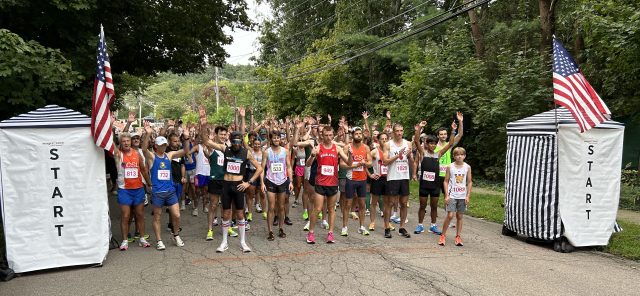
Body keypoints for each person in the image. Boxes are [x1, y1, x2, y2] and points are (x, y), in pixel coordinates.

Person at [199, 107, 262, 253]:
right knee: (225, 214)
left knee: (240, 214)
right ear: (231, 140)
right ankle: (224, 242)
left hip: (239, 185)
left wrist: (249, 182)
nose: (237, 145)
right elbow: (206, 142)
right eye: (235, 142)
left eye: (239, 142)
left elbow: (259, 168)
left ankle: (242, 242)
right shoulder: (224, 148)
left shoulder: (246, 153)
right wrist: (203, 126)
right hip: (226, 185)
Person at [141, 121, 190, 250]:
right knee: (157, 216)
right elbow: (144, 149)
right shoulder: (152, 157)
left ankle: (176, 235)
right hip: (157, 191)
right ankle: (159, 240)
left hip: (170, 190)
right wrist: (148, 134)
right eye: (161, 145)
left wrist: (186, 137)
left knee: (177, 215)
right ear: (156, 146)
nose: (163, 147)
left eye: (164, 145)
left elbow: (185, 150)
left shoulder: (169, 155)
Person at [305, 124, 353, 244]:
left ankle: (330, 234)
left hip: (332, 183)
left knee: (331, 209)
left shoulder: (337, 148)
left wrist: (351, 154)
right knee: (318, 208)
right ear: (322, 135)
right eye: (326, 135)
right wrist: (312, 155)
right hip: (320, 182)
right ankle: (311, 233)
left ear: (333, 135)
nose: (328, 137)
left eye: (330, 135)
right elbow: (308, 164)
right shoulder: (317, 147)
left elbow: (348, 163)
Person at [111, 115, 153, 250]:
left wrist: (149, 184)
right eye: (123, 141)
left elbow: (143, 170)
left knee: (140, 215)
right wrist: (110, 127)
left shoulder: (137, 154)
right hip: (124, 190)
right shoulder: (118, 154)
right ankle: (124, 240)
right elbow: (111, 143)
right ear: (120, 143)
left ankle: (141, 238)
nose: (126, 143)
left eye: (128, 141)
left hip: (139, 188)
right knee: (125, 216)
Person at [413, 120, 458, 235]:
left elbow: (450, 144)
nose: (432, 146)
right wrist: (420, 128)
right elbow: (416, 140)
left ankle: (433, 225)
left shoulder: (438, 154)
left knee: (434, 206)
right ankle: (420, 225)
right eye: (430, 144)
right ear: (426, 144)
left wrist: (453, 130)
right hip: (424, 184)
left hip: (435, 185)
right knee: (422, 206)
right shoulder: (423, 153)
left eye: (434, 144)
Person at [382, 123, 414, 239]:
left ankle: (402, 227)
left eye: (401, 131)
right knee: (390, 203)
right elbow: (385, 162)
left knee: (404, 203)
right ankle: (387, 227)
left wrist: (409, 156)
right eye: (397, 131)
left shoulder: (408, 144)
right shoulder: (388, 145)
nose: (399, 133)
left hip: (404, 177)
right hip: (393, 177)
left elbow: (412, 163)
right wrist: (398, 155)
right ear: (393, 132)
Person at [261, 130, 295, 240]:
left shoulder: (285, 151)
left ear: (280, 139)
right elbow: (262, 168)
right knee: (271, 206)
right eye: (274, 138)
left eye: (278, 137)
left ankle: (281, 228)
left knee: (281, 206)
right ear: (270, 139)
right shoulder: (267, 152)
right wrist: (262, 183)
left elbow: (289, 166)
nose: (276, 139)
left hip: (282, 181)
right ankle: (270, 231)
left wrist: (291, 181)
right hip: (270, 180)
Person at [340, 126, 372, 236]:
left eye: (360, 133)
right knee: (348, 203)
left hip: (362, 179)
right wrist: (356, 164)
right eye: (357, 134)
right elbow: (342, 165)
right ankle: (344, 227)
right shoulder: (347, 147)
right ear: (352, 135)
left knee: (362, 203)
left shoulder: (366, 147)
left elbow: (370, 163)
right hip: (351, 179)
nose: (359, 135)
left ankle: (361, 226)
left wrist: (364, 164)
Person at [435, 112, 464, 228]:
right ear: (437, 136)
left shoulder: (449, 145)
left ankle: (448, 217)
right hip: (437, 175)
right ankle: (434, 220)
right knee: (435, 198)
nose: (443, 136)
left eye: (445, 134)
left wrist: (460, 122)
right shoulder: (434, 146)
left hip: (447, 176)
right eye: (441, 134)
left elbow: (460, 134)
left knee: (447, 197)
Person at [438, 147, 472, 246]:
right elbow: (445, 181)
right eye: (457, 154)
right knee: (450, 215)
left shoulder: (467, 167)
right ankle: (442, 235)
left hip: (462, 195)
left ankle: (458, 236)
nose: (459, 156)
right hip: (452, 194)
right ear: (454, 156)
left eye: (461, 154)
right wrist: (446, 195)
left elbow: (469, 182)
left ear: (464, 156)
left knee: (459, 216)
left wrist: (468, 196)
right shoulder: (450, 167)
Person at [205, 125, 230, 240]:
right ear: (216, 134)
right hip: (215, 179)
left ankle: (227, 226)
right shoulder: (211, 147)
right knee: (213, 205)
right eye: (221, 134)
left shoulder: (228, 147)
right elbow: (205, 141)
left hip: (226, 180)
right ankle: (210, 230)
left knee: (225, 206)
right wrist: (202, 124)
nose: (223, 136)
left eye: (225, 134)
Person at [369, 132, 388, 232]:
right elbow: (365, 161)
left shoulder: (390, 151)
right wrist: (370, 174)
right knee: (374, 202)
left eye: (385, 139)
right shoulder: (375, 151)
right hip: (377, 178)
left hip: (387, 179)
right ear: (378, 140)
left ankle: (386, 223)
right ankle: (372, 222)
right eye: (382, 139)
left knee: (386, 203)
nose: (384, 140)